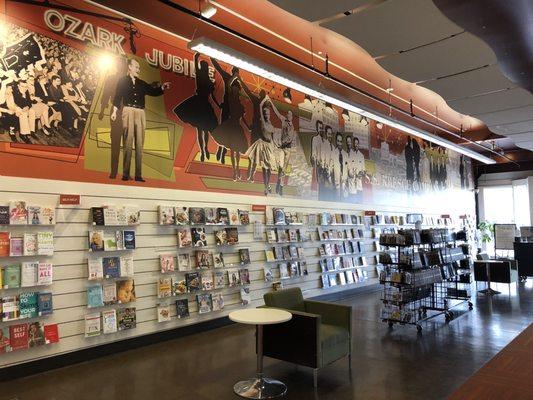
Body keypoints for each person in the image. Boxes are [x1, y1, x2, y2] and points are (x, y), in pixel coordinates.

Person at [111, 58, 170, 182]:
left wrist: (163, 87)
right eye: (136, 67)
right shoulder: (122, 81)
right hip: (128, 110)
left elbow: (153, 91)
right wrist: (114, 111)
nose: (138, 70)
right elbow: (117, 97)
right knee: (127, 142)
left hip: (141, 112)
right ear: (130, 67)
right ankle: (125, 174)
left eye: (139, 68)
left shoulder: (142, 83)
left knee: (139, 143)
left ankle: (138, 175)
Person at [173, 53, 219, 162]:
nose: (204, 68)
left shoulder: (204, 80)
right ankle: (204, 150)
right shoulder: (206, 80)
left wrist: (196, 56)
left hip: (201, 104)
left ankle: (204, 150)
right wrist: (196, 56)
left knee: (202, 129)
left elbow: (212, 97)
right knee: (203, 129)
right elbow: (212, 97)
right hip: (201, 104)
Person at [210, 78, 249, 181]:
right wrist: (235, 78)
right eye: (234, 89)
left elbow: (242, 118)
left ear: (238, 91)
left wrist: (247, 126)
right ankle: (235, 171)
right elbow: (227, 84)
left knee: (237, 151)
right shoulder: (231, 99)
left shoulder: (240, 104)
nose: (236, 91)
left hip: (237, 127)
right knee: (233, 150)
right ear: (233, 90)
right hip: (231, 126)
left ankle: (237, 169)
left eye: (237, 89)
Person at [244, 96, 278, 195]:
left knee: (269, 168)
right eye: (265, 113)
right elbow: (259, 106)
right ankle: (266, 187)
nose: (267, 115)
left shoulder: (270, 124)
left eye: (268, 113)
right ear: (263, 114)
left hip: (270, 146)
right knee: (264, 167)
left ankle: (267, 185)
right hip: (263, 146)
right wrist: (265, 99)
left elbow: (272, 137)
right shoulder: (262, 121)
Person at [210, 57, 240, 163]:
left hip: (233, 111)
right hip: (227, 108)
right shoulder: (228, 78)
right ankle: (220, 149)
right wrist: (212, 58)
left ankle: (222, 151)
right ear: (233, 72)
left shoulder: (238, 84)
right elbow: (218, 68)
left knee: (229, 132)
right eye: (236, 72)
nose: (237, 74)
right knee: (223, 128)